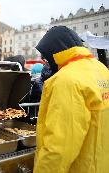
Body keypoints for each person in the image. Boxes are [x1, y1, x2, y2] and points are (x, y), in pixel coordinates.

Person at [33, 26, 109, 173]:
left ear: (54, 51)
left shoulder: (66, 80)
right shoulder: (102, 70)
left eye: (46, 56)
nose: (45, 61)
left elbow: (59, 147)